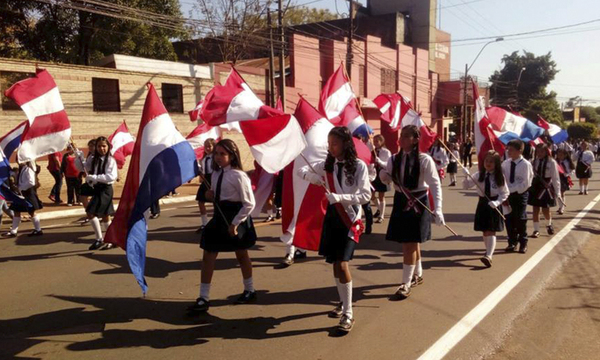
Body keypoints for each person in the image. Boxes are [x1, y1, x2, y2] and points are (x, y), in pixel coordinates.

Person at [297, 126, 370, 333]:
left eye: (334, 143)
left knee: (342, 262)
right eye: (329, 144)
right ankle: (343, 301)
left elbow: (365, 196)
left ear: (346, 144)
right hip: (333, 218)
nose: (331, 147)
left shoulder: (358, 166)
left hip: (350, 218)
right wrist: (313, 178)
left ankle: (348, 313)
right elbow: (300, 170)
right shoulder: (327, 165)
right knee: (335, 264)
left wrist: (341, 197)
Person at [188, 139, 258, 315]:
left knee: (241, 254)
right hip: (220, 216)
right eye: (216, 154)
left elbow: (249, 204)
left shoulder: (239, 175)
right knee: (208, 254)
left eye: (222, 154)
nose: (218, 157)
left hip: (236, 216)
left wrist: (235, 223)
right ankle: (203, 297)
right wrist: (209, 194)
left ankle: (249, 289)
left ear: (232, 156)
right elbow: (217, 195)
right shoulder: (216, 174)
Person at [380, 125, 444, 300]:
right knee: (410, 242)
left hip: (418, 202)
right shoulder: (394, 159)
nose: (402, 139)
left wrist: (438, 208)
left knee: (410, 243)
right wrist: (383, 175)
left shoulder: (424, 160)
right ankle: (418, 273)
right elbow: (387, 177)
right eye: (402, 136)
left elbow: (434, 184)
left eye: (407, 136)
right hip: (401, 201)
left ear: (416, 140)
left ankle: (405, 283)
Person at [463, 151, 509, 268]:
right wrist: (466, 176)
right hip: (483, 203)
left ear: (496, 164)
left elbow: (505, 193)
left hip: (493, 203)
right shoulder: (479, 175)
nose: (488, 163)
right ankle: (488, 250)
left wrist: (498, 202)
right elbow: (466, 186)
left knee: (491, 230)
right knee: (484, 230)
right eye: (486, 161)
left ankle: (489, 255)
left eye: (491, 162)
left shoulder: (499, 177)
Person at [81, 136, 118, 251]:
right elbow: (84, 168)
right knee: (105, 215)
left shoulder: (110, 160)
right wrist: (79, 158)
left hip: (105, 189)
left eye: (104, 146)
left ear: (108, 147)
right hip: (97, 188)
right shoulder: (93, 159)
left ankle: (100, 239)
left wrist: (95, 177)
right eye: (99, 146)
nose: (102, 148)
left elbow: (111, 176)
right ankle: (109, 239)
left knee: (91, 212)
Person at [502, 140, 534, 254]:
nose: (508, 151)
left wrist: (511, 190)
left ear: (519, 150)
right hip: (507, 195)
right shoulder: (505, 163)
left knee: (520, 218)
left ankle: (523, 242)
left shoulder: (525, 164)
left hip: (520, 194)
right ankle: (512, 241)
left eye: (511, 149)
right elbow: (502, 178)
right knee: (508, 218)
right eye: (508, 149)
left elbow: (526, 183)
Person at [3, 161, 43, 237]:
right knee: (16, 211)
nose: (18, 161)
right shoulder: (22, 169)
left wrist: (20, 188)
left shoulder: (28, 169)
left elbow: (31, 182)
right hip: (21, 194)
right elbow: (18, 176)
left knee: (31, 212)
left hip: (27, 194)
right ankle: (13, 231)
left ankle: (38, 230)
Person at [528, 143, 561, 238]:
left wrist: (557, 191)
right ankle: (536, 230)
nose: (539, 153)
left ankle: (549, 224)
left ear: (546, 151)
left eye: (542, 151)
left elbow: (555, 177)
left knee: (546, 209)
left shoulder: (552, 162)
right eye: (538, 151)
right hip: (536, 186)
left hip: (546, 186)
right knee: (535, 209)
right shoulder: (534, 162)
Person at [195, 138, 216, 233]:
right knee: (200, 201)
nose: (207, 148)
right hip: (205, 179)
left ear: (214, 146)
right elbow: (203, 170)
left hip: (214, 178)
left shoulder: (215, 157)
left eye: (209, 146)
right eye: (206, 146)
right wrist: (200, 173)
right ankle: (204, 223)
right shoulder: (204, 158)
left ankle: (217, 223)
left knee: (216, 202)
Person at [372, 134, 391, 223]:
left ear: (381, 141)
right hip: (373, 175)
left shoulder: (386, 152)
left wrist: (379, 161)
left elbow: (388, 165)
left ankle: (381, 216)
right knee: (371, 196)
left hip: (382, 175)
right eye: (374, 141)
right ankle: (380, 209)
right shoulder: (372, 151)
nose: (375, 143)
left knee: (381, 196)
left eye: (377, 141)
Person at [78, 139, 97, 224]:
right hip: (91, 181)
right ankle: (89, 212)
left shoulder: (102, 157)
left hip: (100, 182)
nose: (90, 148)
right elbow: (86, 167)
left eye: (92, 146)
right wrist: (80, 158)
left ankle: (92, 213)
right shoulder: (90, 156)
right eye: (89, 146)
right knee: (82, 192)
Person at [556, 148, 574, 215]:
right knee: (557, 193)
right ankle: (560, 206)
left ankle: (562, 208)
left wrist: (567, 174)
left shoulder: (567, 162)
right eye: (558, 155)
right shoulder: (556, 161)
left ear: (565, 155)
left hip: (564, 178)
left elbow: (572, 171)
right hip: (557, 177)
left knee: (562, 192)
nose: (559, 156)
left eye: (561, 155)